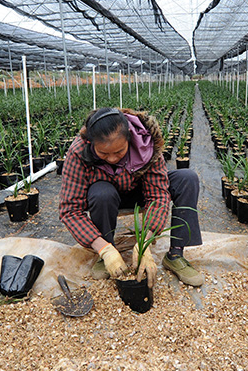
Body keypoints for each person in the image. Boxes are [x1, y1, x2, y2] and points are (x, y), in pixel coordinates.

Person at [59, 107, 204, 287]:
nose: (112, 158)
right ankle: (106, 254)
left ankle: (175, 254)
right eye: (103, 153)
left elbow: (157, 195)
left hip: (139, 190)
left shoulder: (146, 144)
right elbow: (70, 210)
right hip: (107, 196)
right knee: (101, 192)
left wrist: (145, 242)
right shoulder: (78, 152)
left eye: (119, 152)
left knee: (187, 179)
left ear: (129, 137)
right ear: (91, 143)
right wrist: (104, 250)